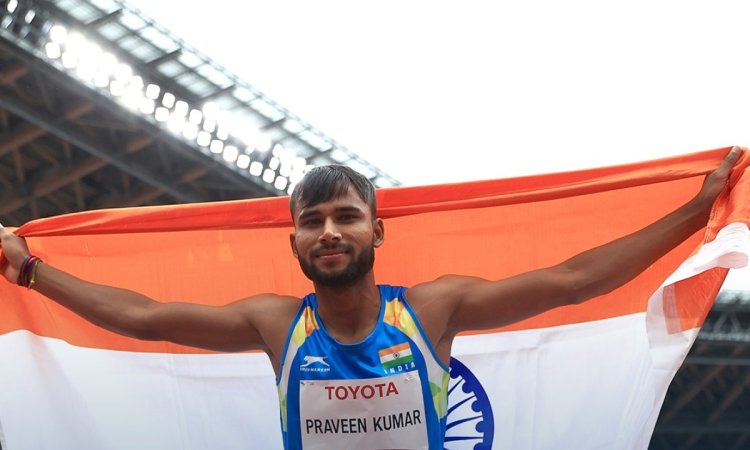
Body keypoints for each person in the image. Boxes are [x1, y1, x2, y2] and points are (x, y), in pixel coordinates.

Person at [0, 147, 744, 449]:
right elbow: (140, 317)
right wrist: (30, 273)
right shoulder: (274, 324)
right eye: (312, 221)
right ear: (293, 242)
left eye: (345, 216)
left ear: (376, 231)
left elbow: (577, 279)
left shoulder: (429, 313)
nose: (329, 231)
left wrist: (692, 213)